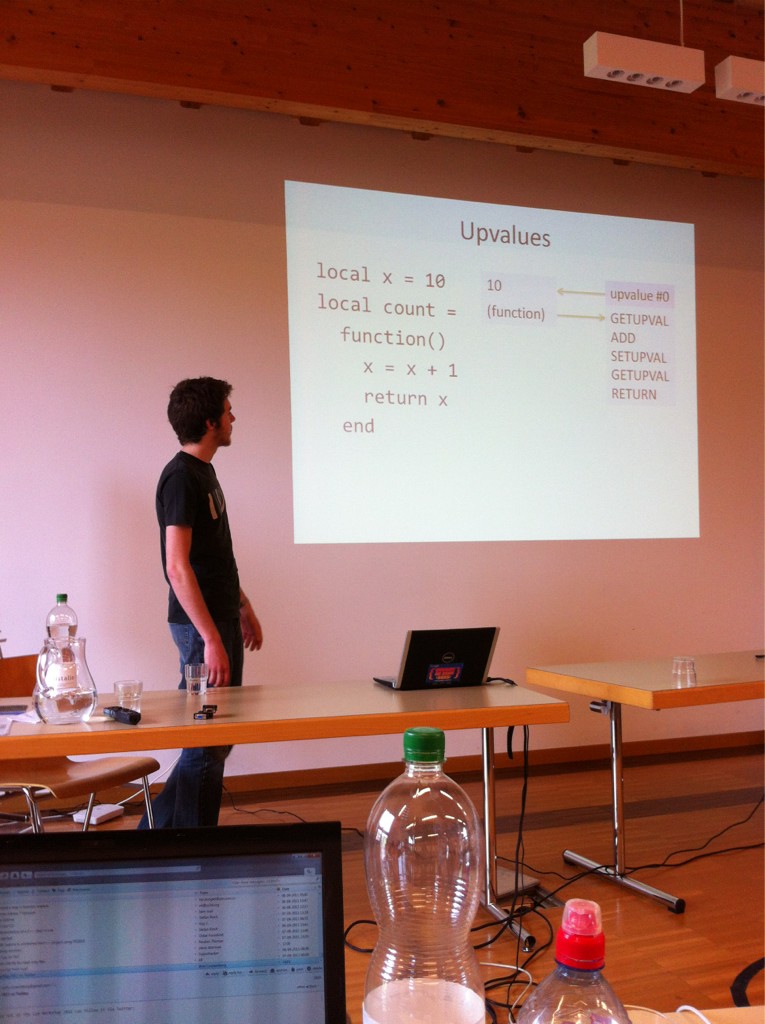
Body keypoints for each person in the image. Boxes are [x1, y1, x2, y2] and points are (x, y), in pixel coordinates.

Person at [139, 376, 263, 828]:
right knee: (207, 742)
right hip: (200, 627)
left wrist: (242, 605)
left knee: (214, 739)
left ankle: (152, 838)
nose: (233, 418)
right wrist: (210, 639)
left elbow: (213, 556)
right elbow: (177, 567)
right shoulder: (180, 477)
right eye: (228, 412)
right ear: (210, 422)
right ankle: (196, 850)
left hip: (218, 618)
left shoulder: (203, 471)